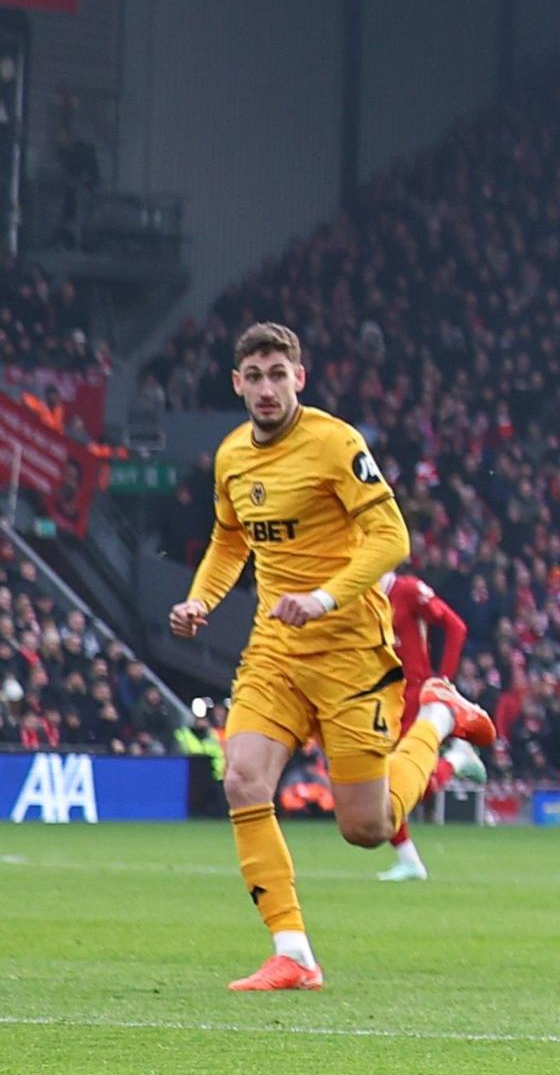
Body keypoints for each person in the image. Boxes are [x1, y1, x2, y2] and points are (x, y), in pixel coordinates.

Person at [166, 323, 496, 991]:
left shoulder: (336, 443)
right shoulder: (231, 456)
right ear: (237, 383)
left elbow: (391, 535)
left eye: (276, 374)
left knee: (366, 828)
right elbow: (230, 540)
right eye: (253, 375)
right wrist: (200, 599)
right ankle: (294, 952)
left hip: (350, 648)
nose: (265, 387)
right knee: (243, 778)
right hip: (275, 649)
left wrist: (323, 596)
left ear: (300, 377)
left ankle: (435, 717)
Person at [375, 570, 470, 882]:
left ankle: (457, 760)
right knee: (384, 785)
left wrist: (443, 680)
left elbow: (455, 627)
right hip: (379, 699)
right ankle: (457, 760)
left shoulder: (408, 591)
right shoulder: (357, 598)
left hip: (414, 697)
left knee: (396, 785)